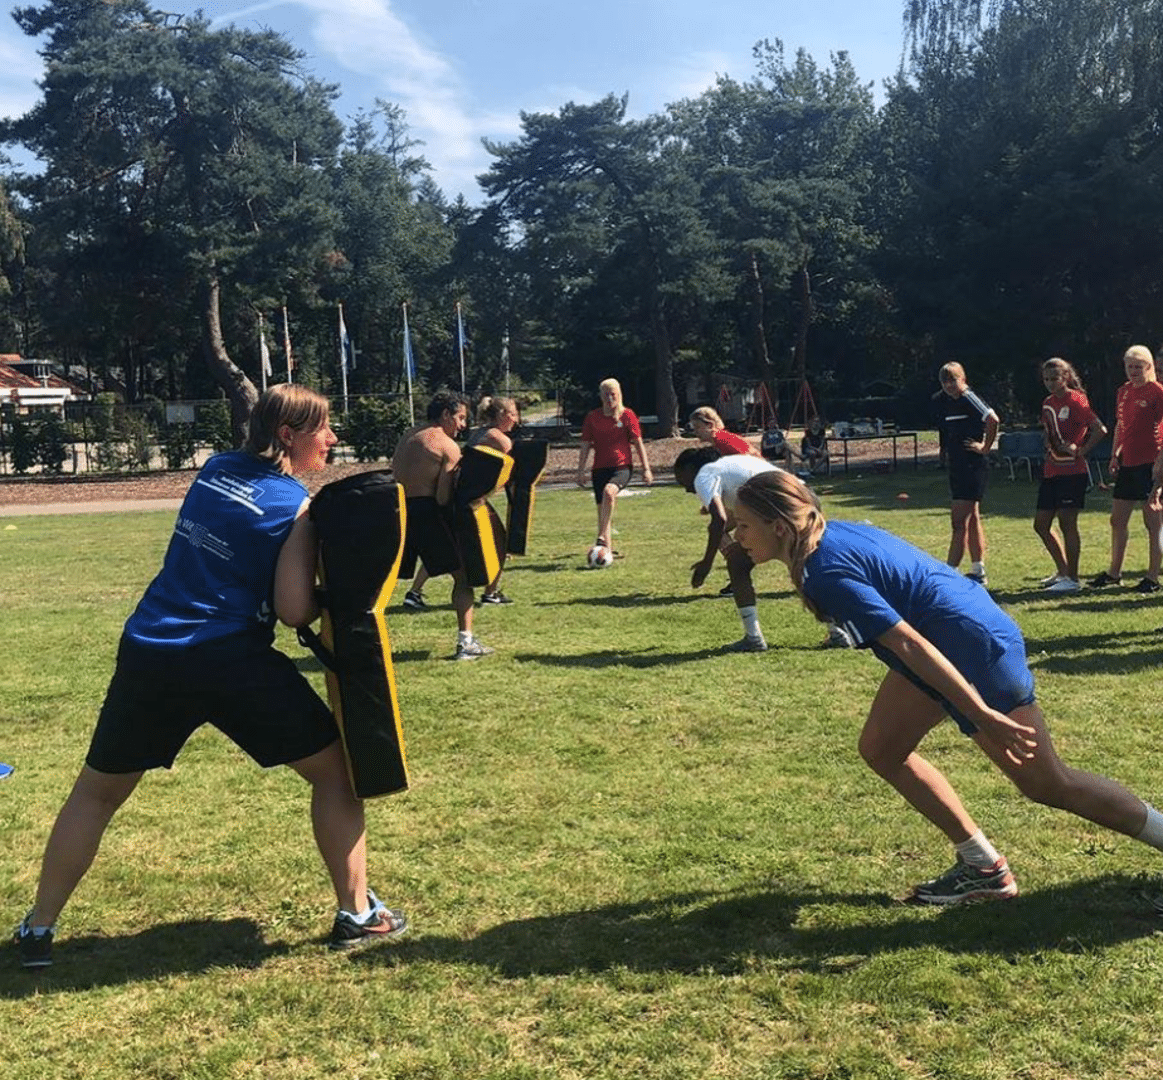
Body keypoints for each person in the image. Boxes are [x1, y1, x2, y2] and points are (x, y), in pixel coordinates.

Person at [13, 386, 408, 969]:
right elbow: (294, 610)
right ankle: (357, 913)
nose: (332, 438)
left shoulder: (216, 468)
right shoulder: (294, 507)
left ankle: (38, 929)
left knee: (95, 794)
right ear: (288, 435)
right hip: (230, 659)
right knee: (337, 776)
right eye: (323, 429)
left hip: (149, 650)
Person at [733, 468, 1163, 905]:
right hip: (950, 636)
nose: (737, 535)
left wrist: (981, 714)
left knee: (1049, 783)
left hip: (972, 647)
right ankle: (983, 867)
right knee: (882, 748)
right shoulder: (828, 536)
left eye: (744, 525)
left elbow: (908, 643)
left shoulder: (824, 571)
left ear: (779, 526)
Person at [393, 391, 492, 660]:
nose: (462, 425)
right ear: (446, 414)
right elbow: (442, 497)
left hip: (396, 511)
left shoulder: (408, 436)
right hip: (427, 513)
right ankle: (466, 643)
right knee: (464, 578)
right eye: (460, 418)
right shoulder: (447, 446)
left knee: (383, 581)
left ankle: (359, 640)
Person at [1089, 345, 1163, 593]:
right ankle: (1114, 573)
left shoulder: (1157, 392)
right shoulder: (1123, 391)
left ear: (1148, 367)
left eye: (1138, 366)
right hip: (1128, 462)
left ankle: (1152, 577)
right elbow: (1121, 425)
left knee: (1153, 522)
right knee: (1117, 520)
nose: (1133, 371)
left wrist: (1160, 463)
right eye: (1129, 366)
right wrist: (1114, 454)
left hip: (1151, 463)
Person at [1035, 358, 1107, 593]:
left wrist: (1081, 450)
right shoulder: (1047, 403)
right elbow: (1049, 433)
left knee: (1067, 523)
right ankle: (1063, 571)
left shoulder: (1076, 400)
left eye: (1054, 378)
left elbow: (1100, 429)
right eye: (1046, 379)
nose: (1050, 383)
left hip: (1072, 472)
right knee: (1041, 524)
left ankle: (1073, 579)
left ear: (1065, 377)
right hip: (1051, 470)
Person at [936, 362, 999, 586]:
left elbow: (992, 419)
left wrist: (985, 447)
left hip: (971, 467)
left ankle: (949, 572)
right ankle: (978, 569)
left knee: (958, 521)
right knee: (972, 518)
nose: (949, 385)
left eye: (953, 380)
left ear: (963, 379)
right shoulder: (947, 402)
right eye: (944, 381)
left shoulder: (969, 398)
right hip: (958, 466)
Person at [576, 378, 653, 554]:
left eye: (613, 394)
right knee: (603, 512)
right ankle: (606, 552)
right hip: (599, 468)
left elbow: (638, 443)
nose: (610, 398)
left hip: (621, 467)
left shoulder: (627, 415)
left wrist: (646, 469)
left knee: (609, 492)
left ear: (619, 395)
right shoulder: (593, 417)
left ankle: (601, 535)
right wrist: (580, 471)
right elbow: (585, 445)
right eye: (606, 395)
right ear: (600, 396)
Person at [467, 396, 520, 604]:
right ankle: (490, 593)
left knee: (451, 545)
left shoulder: (477, 433)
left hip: (465, 497)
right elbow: (509, 474)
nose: (516, 419)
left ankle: (415, 591)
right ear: (502, 415)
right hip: (475, 500)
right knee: (501, 542)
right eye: (513, 414)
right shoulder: (500, 440)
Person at [689, 406, 759, 458]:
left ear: (710, 425)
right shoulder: (722, 438)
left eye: (697, 427)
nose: (695, 432)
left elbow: (749, 458)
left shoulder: (722, 440)